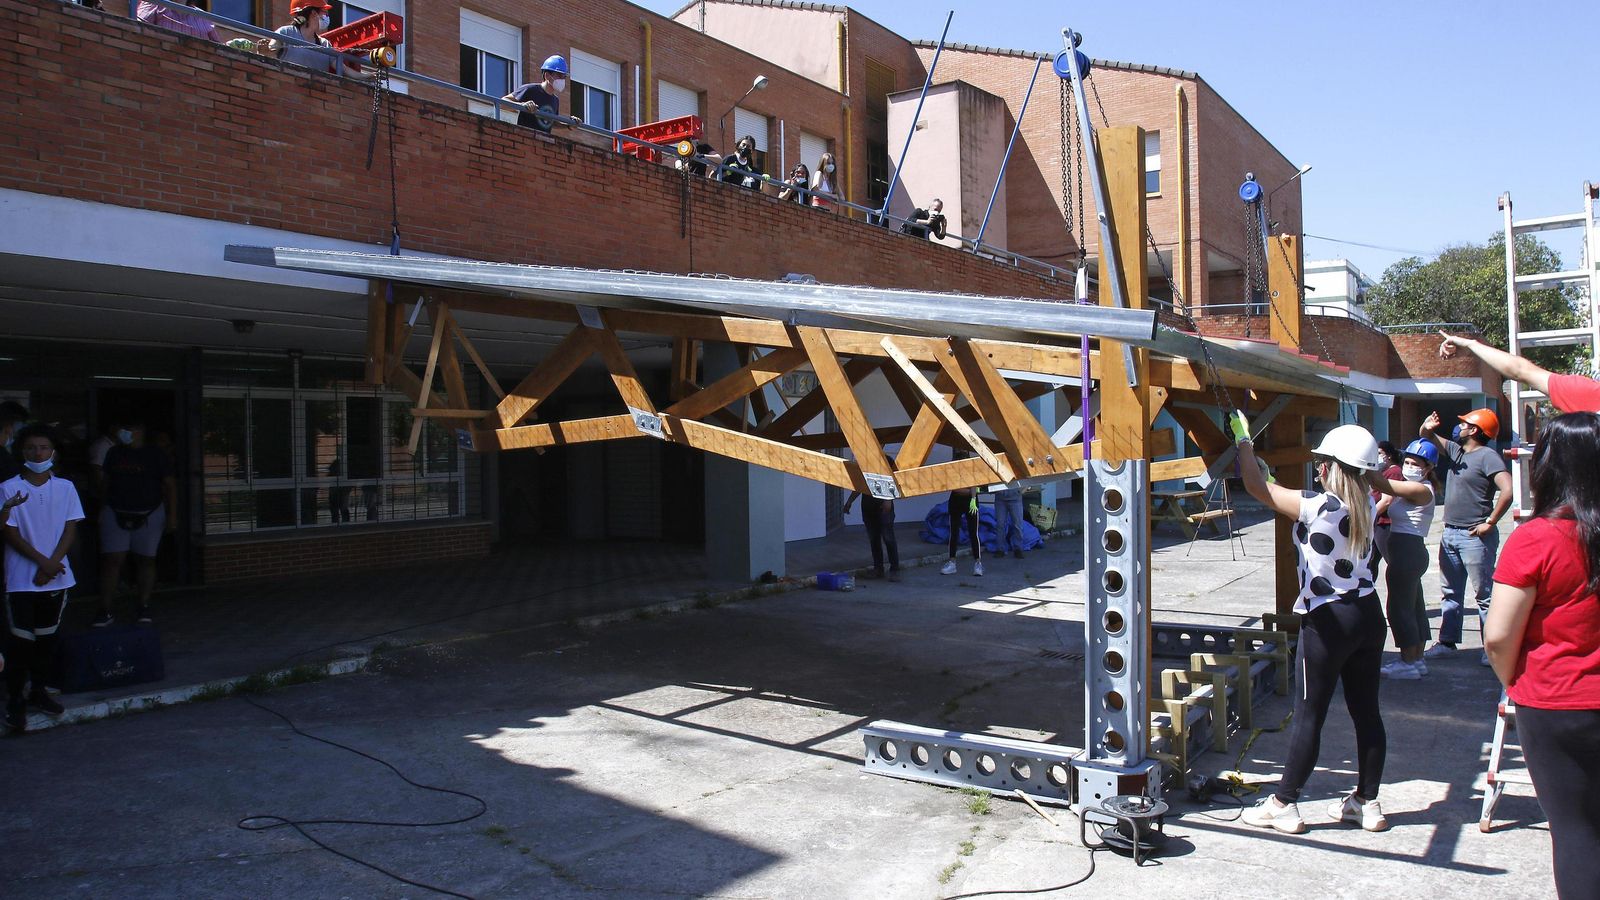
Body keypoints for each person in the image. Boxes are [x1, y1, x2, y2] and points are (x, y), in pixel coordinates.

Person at [1231, 420, 1390, 834]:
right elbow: (1271, 487)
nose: (1317, 468)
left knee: (1308, 715)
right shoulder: (1367, 502)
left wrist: (1244, 442)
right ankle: (1367, 803)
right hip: (1369, 613)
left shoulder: (1317, 505)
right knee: (1366, 712)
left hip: (1329, 619)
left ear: (1330, 467)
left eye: (1321, 462)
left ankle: (1284, 802)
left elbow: (1256, 487)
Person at [1483, 412, 1600, 899]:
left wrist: (1515, 681)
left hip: (1557, 703)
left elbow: (1498, 636)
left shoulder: (1535, 538)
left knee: (1576, 832)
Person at [3, 425, 84, 734]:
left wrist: (51, 564)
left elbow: (70, 528)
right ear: (22, 452)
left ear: (53, 452)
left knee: (47, 641)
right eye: (31, 448)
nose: (38, 453)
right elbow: (9, 532)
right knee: (21, 644)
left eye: (43, 448)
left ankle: (38, 692)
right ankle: (15, 701)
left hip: (56, 579)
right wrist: (42, 562)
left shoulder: (65, 487)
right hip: (22, 580)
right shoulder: (8, 488)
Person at [1420, 408, 1512, 664]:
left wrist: (1491, 522)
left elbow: (1508, 490)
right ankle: (1447, 642)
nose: (1458, 427)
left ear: (1474, 430)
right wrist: (1427, 426)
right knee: (1450, 592)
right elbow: (1426, 436)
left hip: (1475, 536)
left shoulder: (1488, 457)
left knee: (1484, 596)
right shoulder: (1457, 451)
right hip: (1450, 532)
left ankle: (1490, 649)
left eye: (1464, 424)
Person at [95, 420, 176, 627]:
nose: (125, 433)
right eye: (125, 429)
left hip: (149, 513)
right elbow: (106, 482)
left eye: (130, 429)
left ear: (141, 431)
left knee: (146, 560)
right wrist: (102, 508)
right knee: (112, 560)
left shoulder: (156, 454)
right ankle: (105, 609)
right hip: (115, 511)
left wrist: (172, 516)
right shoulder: (114, 453)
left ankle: (144, 604)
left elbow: (169, 485)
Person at [1377, 440, 1439, 680]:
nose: (1409, 466)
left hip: (1406, 552)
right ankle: (1417, 659)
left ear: (1428, 468)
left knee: (1399, 608)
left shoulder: (1420, 489)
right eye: (1407, 461)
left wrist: (1367, 464)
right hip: (1408, 552)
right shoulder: (1413, 487)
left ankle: (1407, 662)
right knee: (1414, 607)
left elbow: (1380, 483)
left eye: (1415, 463)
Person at [1439, 330, 1600, 413]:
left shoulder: (1590, 393)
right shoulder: (1589, 393)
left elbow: (1521, 371)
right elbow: (1520, 370)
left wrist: (1471, 346)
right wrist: (1471, 345)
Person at [265, 0, 350, 77]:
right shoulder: (286, 33)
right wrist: (263, 51)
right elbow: (269, 53)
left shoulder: (324, 44)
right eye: (324, 12)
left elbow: (344, 70)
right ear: (313, 13)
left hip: (317, 92)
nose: (326, 16)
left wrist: (363, 77)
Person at [504, 55, 576, 135]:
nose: (562, 79)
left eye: (564, 76)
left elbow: (551, 121)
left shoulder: (555, 100)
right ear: (547, 75)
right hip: (524, 139)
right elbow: (503, 102)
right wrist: (522, 105)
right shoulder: (530, 89)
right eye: (559, 75)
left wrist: (569, 125)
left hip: (542, 143)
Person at [842, 490, 899, 581]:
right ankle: (878, 569)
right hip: (868, 507)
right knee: (874, 539)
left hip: (883, 504)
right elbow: (859, 486)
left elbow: (890, 481)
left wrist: (888, 500)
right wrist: (849, 501)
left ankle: (895, 570)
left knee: (888, 538)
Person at [940, 486, 983, 577]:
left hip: (971, 499)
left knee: (973, 532)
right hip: (956, 501)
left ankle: (978, 563)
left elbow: (975, 484)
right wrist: (969, 491)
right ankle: (952, 562)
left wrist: (973, 497)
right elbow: (952, 487)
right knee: (954, 532)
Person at [136, 0, 222, 42]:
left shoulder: (202, 16)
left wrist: (230, 45)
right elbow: (136, 30)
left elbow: (218, 49)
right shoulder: (155, 4)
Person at [994, 486, 1026, 560]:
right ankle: (1000, 549)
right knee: (1000, 524)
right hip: (1000, 498)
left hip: (1015, 499)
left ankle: (1018, 549)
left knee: (1018, 525)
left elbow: (1027, 478)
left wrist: (1023, 490)